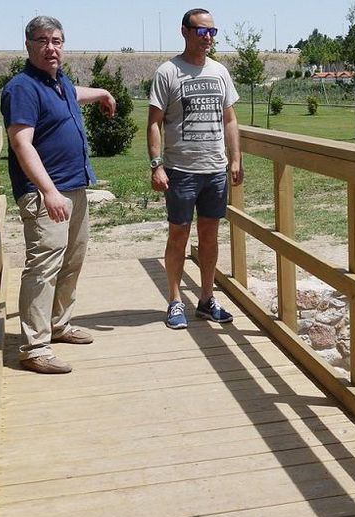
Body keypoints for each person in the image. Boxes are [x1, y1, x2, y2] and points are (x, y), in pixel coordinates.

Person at [1, 15, 117, 374]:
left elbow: (71, 96)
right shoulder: (21, 87)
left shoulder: (58, 81)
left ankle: (59, 324)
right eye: (43, 41)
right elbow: (22, 144)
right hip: (45, 193)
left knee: (72, 261)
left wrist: (100, 92)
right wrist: (48, 191)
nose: (51, 48)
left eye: (56, 41)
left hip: (74, 187)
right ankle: (35, 347)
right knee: (44, 267)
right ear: (28, 45)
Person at [147, 7, 243, 330]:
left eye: (212, 33)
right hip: (181, 171)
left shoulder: (219, 72)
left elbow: (229, 119)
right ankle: (175, 301)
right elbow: (153, 124)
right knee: (178, 235)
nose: (208, 38)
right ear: (185, 31)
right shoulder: (168, 73)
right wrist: (156, 166)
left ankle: (205, 299)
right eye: (202, 32)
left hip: (214, 170)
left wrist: (236, 158)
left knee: (211, 237)